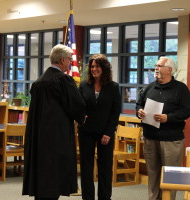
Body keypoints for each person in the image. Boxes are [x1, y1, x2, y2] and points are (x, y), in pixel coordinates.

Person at [22, 44, 86, 200]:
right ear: (62, 60)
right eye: (70, 60)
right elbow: (77, 104)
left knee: (42, 173)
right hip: (57, 137)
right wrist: (82, 117)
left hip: (39, 137)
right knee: (55, 173)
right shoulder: (63, 80)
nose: (70, 63)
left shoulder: (39, 82)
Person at [136, 57, 190, 200]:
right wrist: (139, 111)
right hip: (150, 138)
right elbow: (139, 104)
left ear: (169, 70)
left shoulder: (180, 89)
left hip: (171, 140)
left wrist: (168, 117)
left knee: (170, 176)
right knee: (153, 173)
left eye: (159, 66)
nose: (156, 68)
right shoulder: (150, 87)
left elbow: (187, 111)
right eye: (156, 65)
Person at [78, 54, 121, 200]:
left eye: (97, 66)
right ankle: (87, 197)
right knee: (86, 167)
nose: (94, 69)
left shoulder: (113, 87)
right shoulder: (84, 85)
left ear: (104, 68)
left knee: (105, 168)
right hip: (86, 132)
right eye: (92, 66)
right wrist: (81, 116)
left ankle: (104, 197)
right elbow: (78, 106)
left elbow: (115, 113)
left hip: (106, 133)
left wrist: (109, 132)